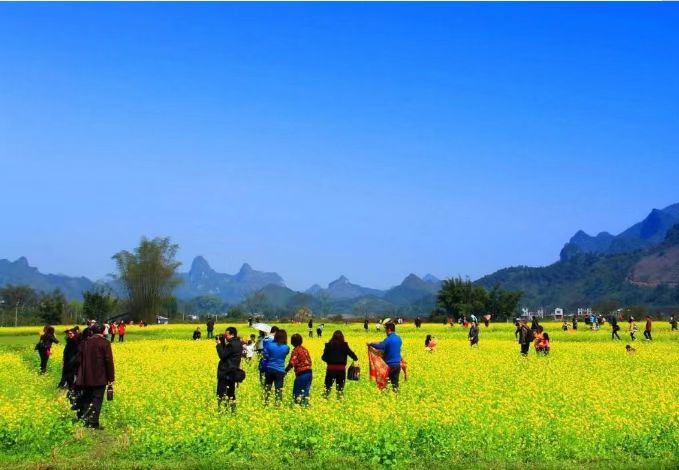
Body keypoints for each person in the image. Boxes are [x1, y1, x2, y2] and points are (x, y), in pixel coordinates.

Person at [75, 323, 114, 429]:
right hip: (100, 377)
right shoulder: (105, 343)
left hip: (86, 376)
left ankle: (86, 420)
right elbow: (108, 361)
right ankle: (93, 422)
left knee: (87, 398)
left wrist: (78, 374)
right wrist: (111, 378)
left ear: (92, 331)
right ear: (103, 331)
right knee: (97, 399)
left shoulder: (85, 342)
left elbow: (78, 359)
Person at [322, 330, 358, 399]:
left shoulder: (328, 345)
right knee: (340, 389)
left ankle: (324, 400)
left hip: (330, 369)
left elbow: (323, 357)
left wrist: (330, 361)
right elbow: (352, 355)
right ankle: (339, 400)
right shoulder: (344, 345)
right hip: (341, 370)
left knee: (327, 387)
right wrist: (355, 358)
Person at [368, 322, 402, 392]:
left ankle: (387, 395)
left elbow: (380, 346)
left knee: (385, 384)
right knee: (395, 384)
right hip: (397, 365)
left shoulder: (388, 339)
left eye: (386, 329)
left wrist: (371, 344)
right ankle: (395, 396)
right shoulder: (399, 338)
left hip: (389, 365)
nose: (385, 331)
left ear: (389, 329)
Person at [216, 327, 242, 412]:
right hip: (233, 372)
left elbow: (222, 355)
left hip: (226, 372)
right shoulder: (238, 343)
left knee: (221, 393)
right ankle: (232, 411)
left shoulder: (231, 345)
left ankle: (221, 410)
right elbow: (228, 353)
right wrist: (223, 342)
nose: (225, 336)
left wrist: (219, 344)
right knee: (231, 393)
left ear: (232, 334)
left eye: (226, 335)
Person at [263, 329, 290, 405]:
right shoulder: (286, 347)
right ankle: (278, 405)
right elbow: (285, 353)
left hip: (269, 369)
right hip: (280, 370)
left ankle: (266, 403)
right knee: (278, 390)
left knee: (267, 388)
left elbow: (265, 355)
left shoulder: (269, 345)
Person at [285, 333, 313, 406]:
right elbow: (310, 361)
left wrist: (285, 371)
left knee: (297, 393)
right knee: (305, 392)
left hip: (302, 374)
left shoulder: (296, 350)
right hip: (309, 373)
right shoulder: (305, 349)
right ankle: (305, 407)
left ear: (292, 342)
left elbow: (292, 363)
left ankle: (297, 407)